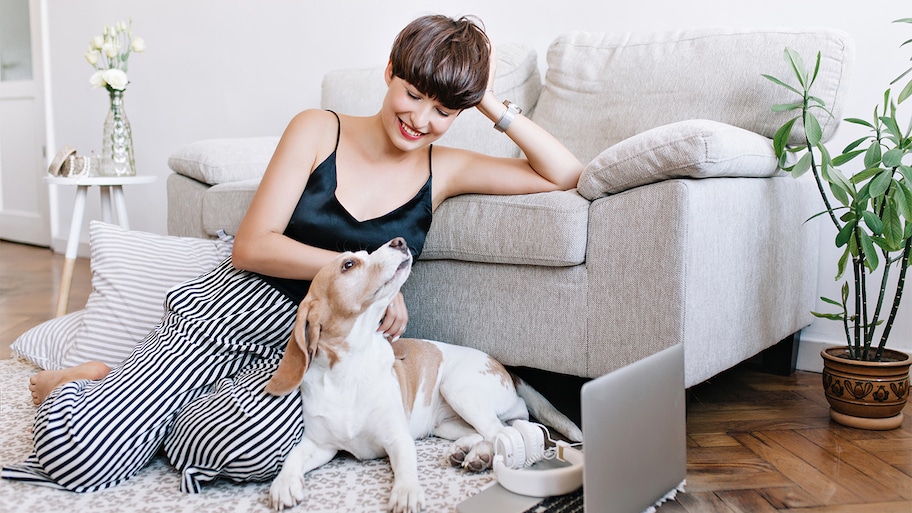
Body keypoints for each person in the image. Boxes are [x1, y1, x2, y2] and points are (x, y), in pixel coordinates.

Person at [3, 14, 582, 493]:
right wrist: (365, 272)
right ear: (388, 71)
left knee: (253, 452)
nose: (420, 119)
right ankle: (82, 384)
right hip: (233, 309)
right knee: (82, 457)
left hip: (323, 349)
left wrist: (488, 104)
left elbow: (565, 173)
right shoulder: (317, 129)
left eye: (442, 111)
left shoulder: (445, 168)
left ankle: (145, 403)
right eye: (411, 93)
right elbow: (253, 246)